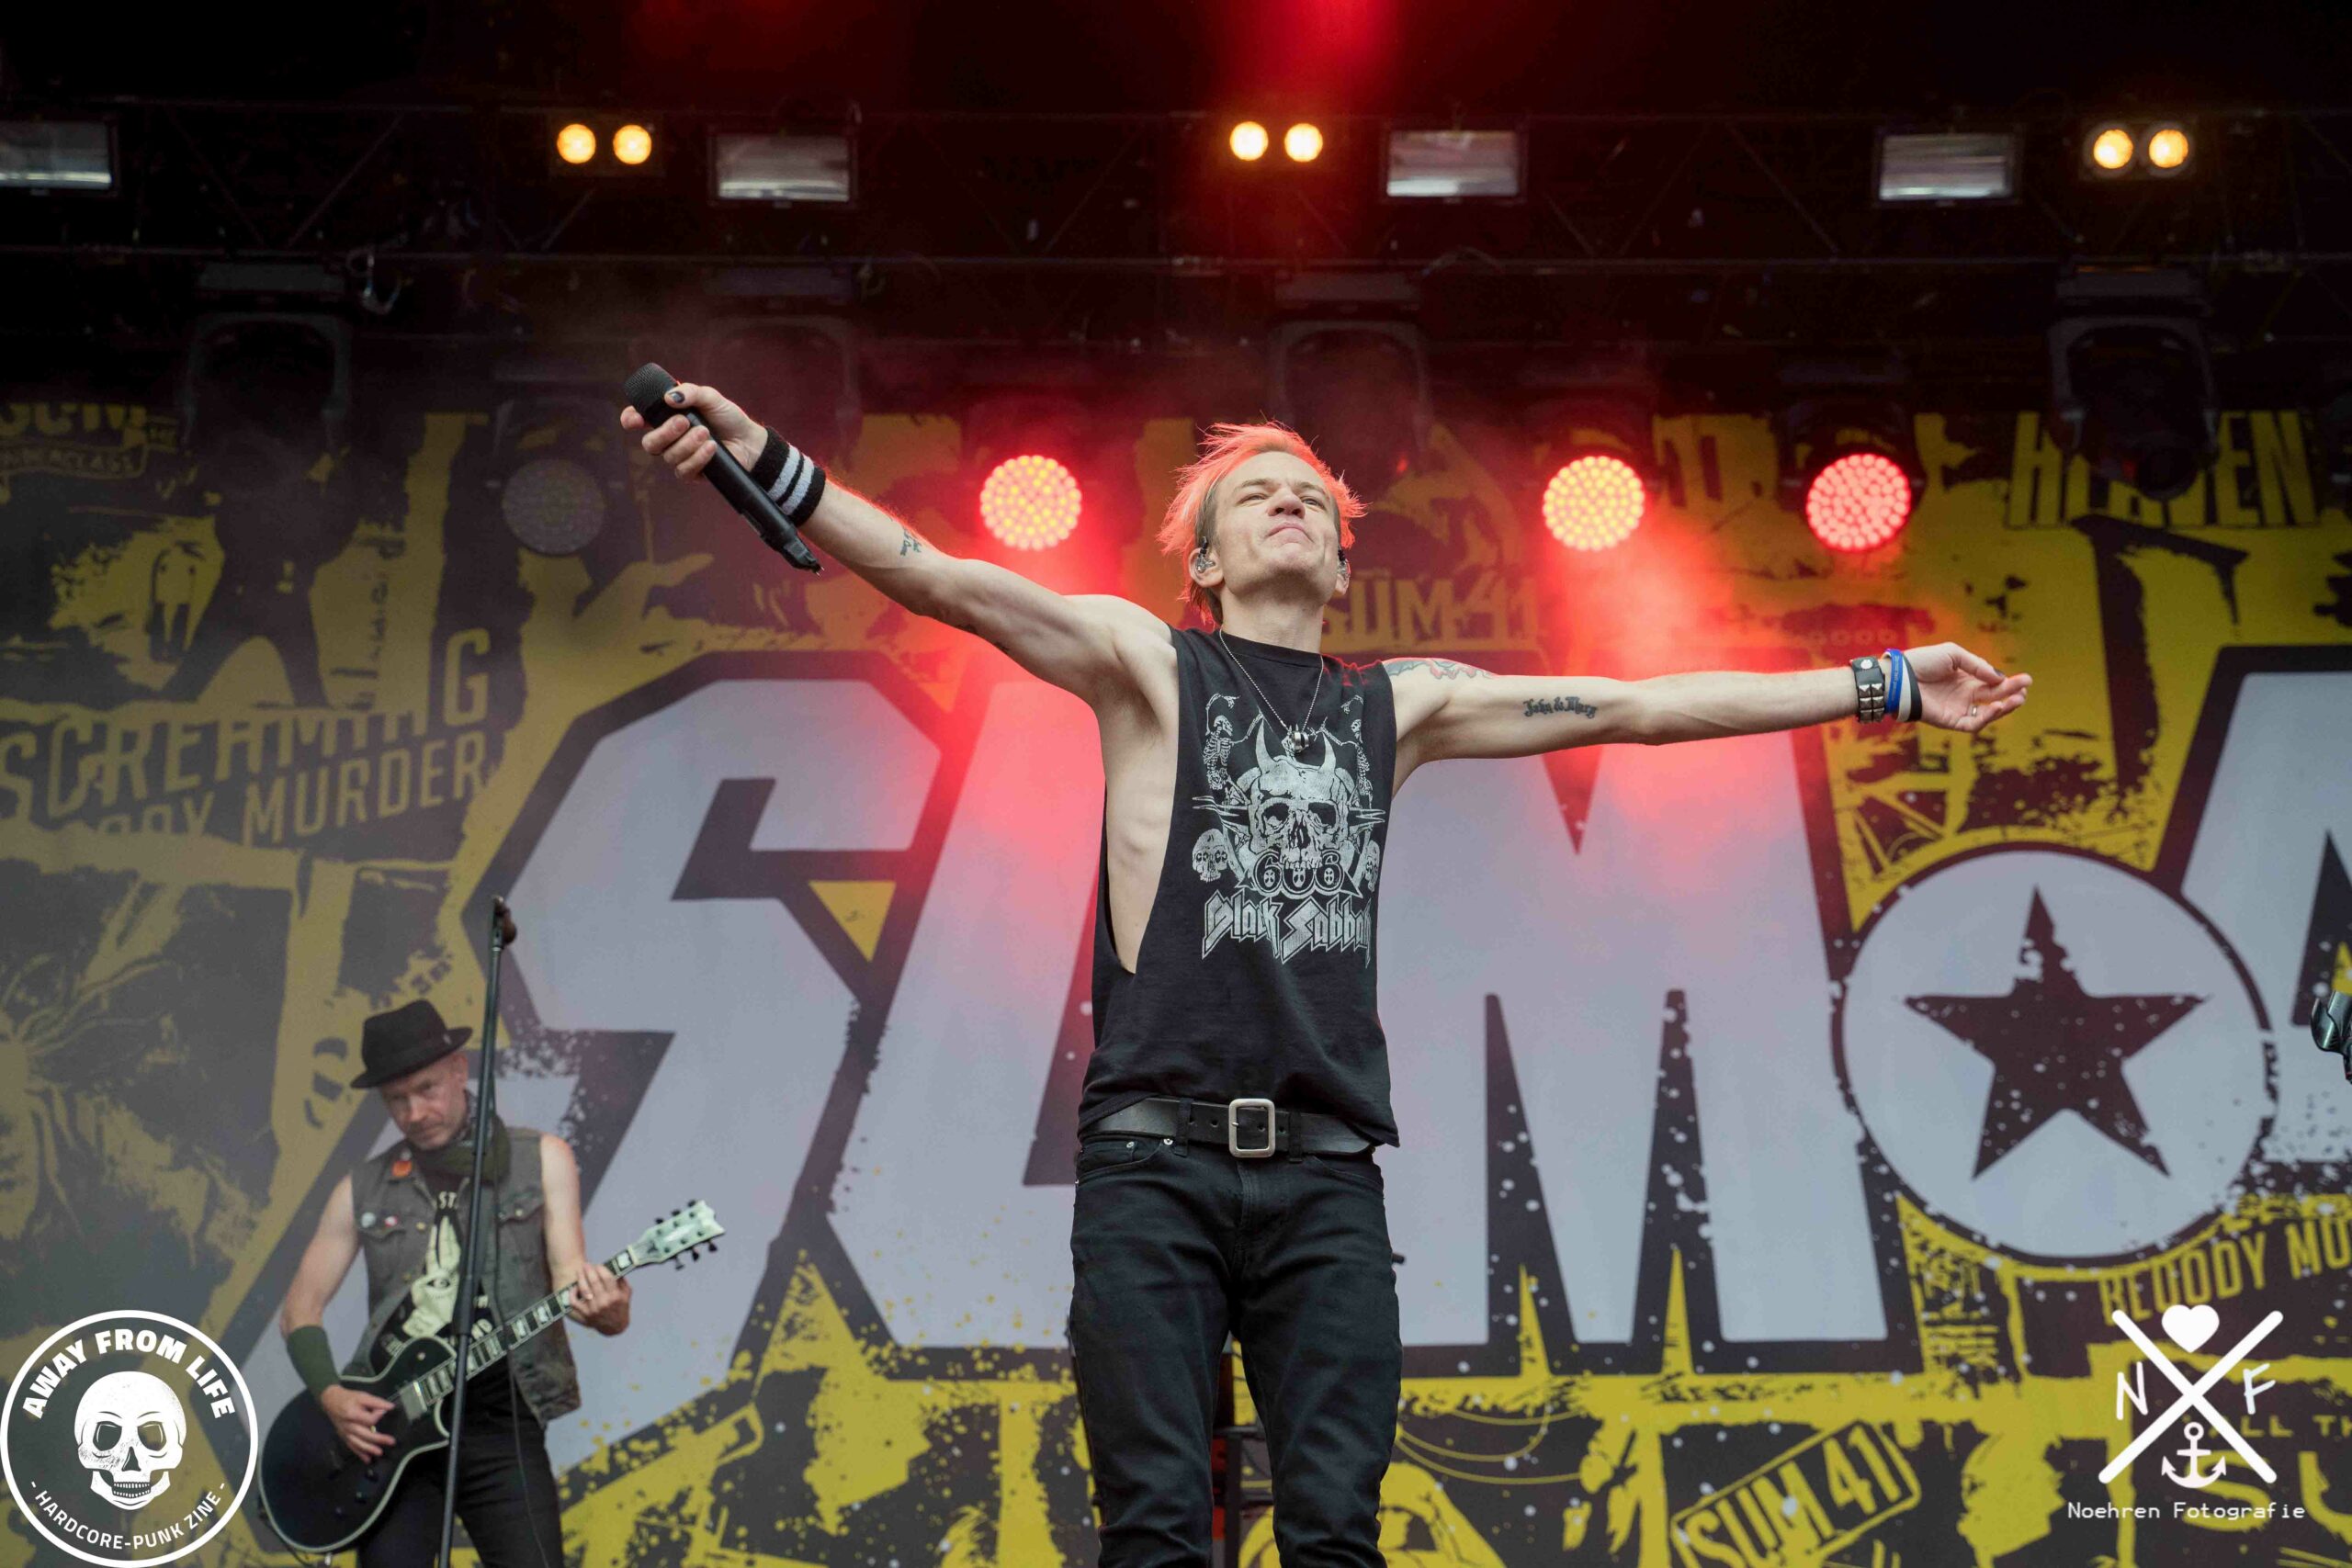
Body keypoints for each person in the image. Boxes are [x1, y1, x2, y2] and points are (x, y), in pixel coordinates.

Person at [620, 384, 2031, 1567]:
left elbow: (1640, 705)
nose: (1293, 501)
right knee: (1158, 1529)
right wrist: (766, 460)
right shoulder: (1147, 664)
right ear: (1209, 560)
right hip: (1153, 1168)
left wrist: (1887, 680)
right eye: (1259, 494)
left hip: (1327, 1180)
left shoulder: (1395, 704)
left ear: (1345, 565)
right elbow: (940, 575)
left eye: (1314, 496)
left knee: (1339, 1536)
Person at [277, 998, 632, 1568]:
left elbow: (572, 1281)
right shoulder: (361, 1189)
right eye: (397, 1099)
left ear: (459, 1070)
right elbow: (300, 1309)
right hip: (394, 1432)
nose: (415, 1112)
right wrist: (332, 1396)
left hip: (501, 1427)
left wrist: (610, 1311)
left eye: (427, 1089)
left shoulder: (543, 1159)